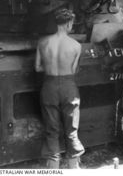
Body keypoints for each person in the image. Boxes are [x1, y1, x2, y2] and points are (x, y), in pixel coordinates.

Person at [35, 9, 84, 169]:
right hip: (69, 87)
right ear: (69, 24)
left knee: (51, 130)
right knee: (71, 130)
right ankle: (74, 169)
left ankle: (53, 169)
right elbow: (74, 70)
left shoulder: (42, 42)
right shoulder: (76, 46)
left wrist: (50, 68)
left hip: (48, 87)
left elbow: (37, 68)